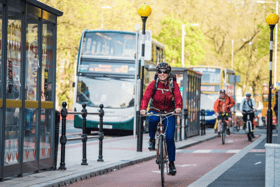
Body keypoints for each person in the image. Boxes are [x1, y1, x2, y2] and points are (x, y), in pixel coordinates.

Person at [140, 62, 182, 176]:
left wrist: (178, 107)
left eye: (165, 72)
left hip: (169, 111)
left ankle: (172, 164)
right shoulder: (154, 84)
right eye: (160, 72)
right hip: (155, 109)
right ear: (157, 73)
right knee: (152, 119)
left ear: (169, 73)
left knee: (169, 137)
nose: (162, 74)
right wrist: (143, 109)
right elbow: (146, 97)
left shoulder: (173, 84)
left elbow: (178, 97)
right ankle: (152, 139)